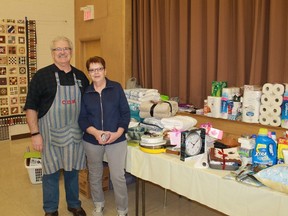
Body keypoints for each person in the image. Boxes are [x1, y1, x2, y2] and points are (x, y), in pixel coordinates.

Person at [24, 36, 89, 216]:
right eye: (58, 49)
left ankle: (74, 204)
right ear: (52, 53)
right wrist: (34, 133)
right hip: (49, 134)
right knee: (50, 172)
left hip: (75, 134)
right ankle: (51, 209)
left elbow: (88, 105)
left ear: (71, 51)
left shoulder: (81, 76)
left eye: (66, 49)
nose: (62, 52)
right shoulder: (42, 76)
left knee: (72, 170)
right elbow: (31, 106)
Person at [78, 56, 130, 216]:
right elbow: (82, 119)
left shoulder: (116, 88)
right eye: (92, 70)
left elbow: (125, 113)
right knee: (95, 174)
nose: (96, 72)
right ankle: (98, 204)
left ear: (105, 70)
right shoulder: (85, 92)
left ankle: (122, 210)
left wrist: (118, 133)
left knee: (117, 176)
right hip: (92, 141)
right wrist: (95, 133)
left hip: (117, 139)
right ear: (89, 73)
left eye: (99, 69)